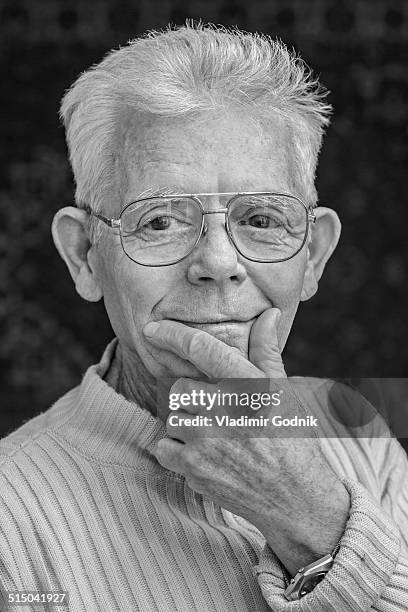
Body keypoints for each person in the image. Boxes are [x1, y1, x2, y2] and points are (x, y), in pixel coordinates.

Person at [0, 22, 407, 612]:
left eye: (263, 219)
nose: (218, 263)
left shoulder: (358, 431)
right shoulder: (11, 525)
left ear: (313, 255)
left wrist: (311, 516)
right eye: (161, 220)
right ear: (85, 256)